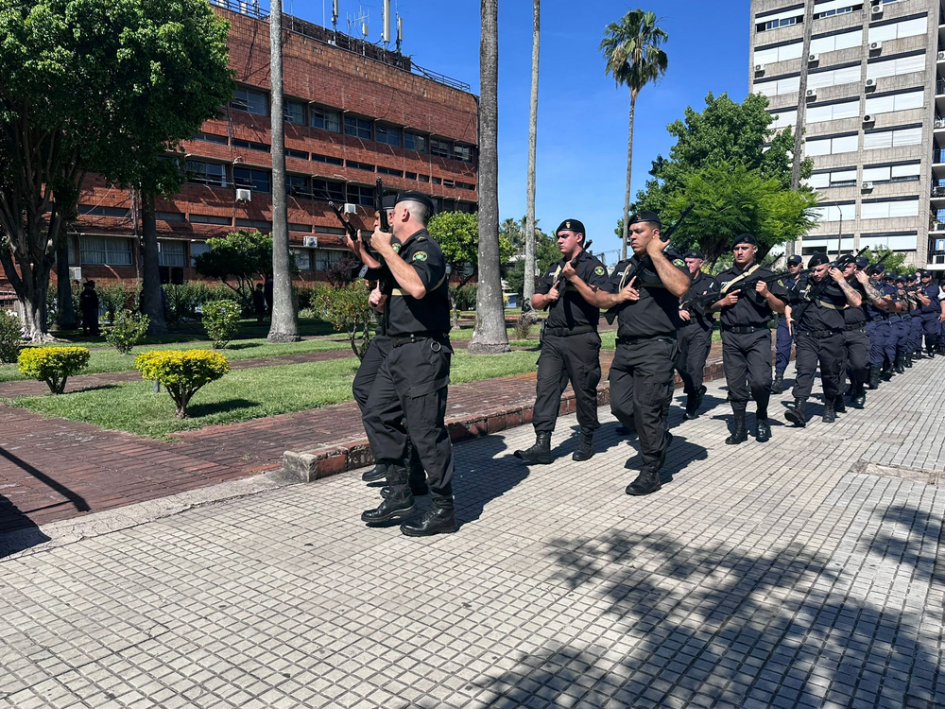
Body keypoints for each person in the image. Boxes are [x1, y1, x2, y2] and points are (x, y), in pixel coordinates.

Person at [563, 210, 690, 496]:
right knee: (620, 406)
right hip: (626, 348)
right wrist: (617, 297)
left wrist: (657, 255)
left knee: (647, 410)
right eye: (630, 232)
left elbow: (680, 286)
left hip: (656, 346)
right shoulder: (624, 267)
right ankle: (658, 436)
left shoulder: (671, 261)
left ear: (655, 234)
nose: (631, 236)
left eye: (638, 232)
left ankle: (651, 471)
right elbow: (599, 297)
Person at [361, 191, 457, 537]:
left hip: (422, 352)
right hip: (397, 350)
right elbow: (389, 303)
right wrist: (378, 299)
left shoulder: (425, 249)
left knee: (425, 431)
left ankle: (443, 508)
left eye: (392, 213)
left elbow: (417, 287)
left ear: (403, 214)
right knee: (377, 413)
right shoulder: (401, 254)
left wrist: (385, 249)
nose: (387, 219)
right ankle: (399, 492)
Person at [344, 198, 428, 498]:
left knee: (400, 409)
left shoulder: (413, 247)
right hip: (387, 332)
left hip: (409, 339)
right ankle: (390, 450)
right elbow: (377, 281)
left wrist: (368, 251)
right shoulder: (391, 247)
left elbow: (407, 281)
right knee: (365, 390)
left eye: (389, 215)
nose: (385, 221)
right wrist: (361, 251)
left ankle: (401, 465)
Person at [514, 219, 609, 465]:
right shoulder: (555, 267)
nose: (559, 240)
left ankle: (586, 438)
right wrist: (547, 296)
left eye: (564, 236)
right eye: (558, 236)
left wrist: (575, 279)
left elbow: (600, 299)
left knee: (584, 391)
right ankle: (542, 444)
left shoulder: (593, 266)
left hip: (581, 337)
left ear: (579, 237)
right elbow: (535, 301)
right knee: (546, 389)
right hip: (554, 338)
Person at [708, 234, 788, 444]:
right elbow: (706, 306)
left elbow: (781, 307)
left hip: (757, 335)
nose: (740, 251)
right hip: (731, 336)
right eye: (736, 248)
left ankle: (762, 416)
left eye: (744, 248)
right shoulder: (723, 277)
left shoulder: (766, 275)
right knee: (735, 385)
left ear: (754, 250)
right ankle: (740, 427)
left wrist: (767, 294)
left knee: (761, 382)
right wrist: (722, 302)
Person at [784, 253, 862, 427]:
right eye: (813, 271)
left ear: (829, 267)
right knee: (804, 371)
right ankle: (799, 410)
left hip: (831, 337)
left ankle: (829, 406)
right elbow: (789, 301)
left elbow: (857, 301)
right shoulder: (804, 284)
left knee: (831, 374)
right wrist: (788, 316)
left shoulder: (839, 284)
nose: (816, 274)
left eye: (819, 270)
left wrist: (841, 280)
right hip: (807, 336)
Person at [675, 249, 719, 419]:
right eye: (685, 262)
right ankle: (696, 388)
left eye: (691, 262)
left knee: (695, 366)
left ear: (701, 263)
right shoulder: (676, 280)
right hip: (680, 326)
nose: (688, 265)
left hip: (700, 326)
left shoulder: (710, 281)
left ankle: (692, 402)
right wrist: (676, 311)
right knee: (679, 364)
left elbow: (713, 303)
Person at [837, 257, 870, 410]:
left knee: (859, 365)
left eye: (848, 266)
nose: (844, 268)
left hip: (857, 331)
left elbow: (875, 298)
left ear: (855, 268)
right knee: (838, 367)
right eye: (841, 265)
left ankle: (859, 388)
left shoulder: (861, 284)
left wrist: (866, 282)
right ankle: (837, 398)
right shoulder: (831, 283)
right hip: (838, 331)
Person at [772, 255, 806, 394]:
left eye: (795, 264)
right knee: (782, 348)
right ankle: (778, 379)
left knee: (804, 350)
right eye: (790, 264)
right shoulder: (784, 281)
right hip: (785, 319)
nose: (792, 267)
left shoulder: (807, 280)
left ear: (801, 265)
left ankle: (802, 380)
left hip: (803, 320)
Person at [861, 264, 895, 390]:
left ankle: (873, 378)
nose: (875, 274)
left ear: (882, 274)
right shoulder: (860, 284)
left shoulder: (887, 288)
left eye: (877, 272)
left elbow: (884, 304)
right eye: (873, 272)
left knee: (877, 348)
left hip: (879, 322)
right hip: (863, 322)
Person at [918, 270, 941, 357]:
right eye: (923, 277)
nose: (924, 278)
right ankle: (918, 350)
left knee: (931, 333)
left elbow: (939, 299)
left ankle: (929, 347)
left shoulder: (935, 287)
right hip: (919, 313)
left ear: (930, 277)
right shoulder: (917, 286)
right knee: (917, 333)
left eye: (926, 277)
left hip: (931, 313)